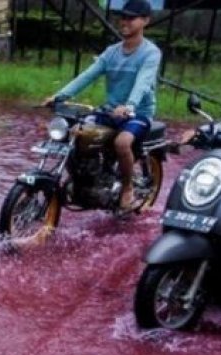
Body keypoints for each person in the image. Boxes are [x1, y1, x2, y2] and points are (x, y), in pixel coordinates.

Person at [43, 0, 161, 211]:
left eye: (131, 18)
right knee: (75, 132)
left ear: (145, 21)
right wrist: (59, 96)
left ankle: (127, 189)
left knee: (123, 143)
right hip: (110, 110)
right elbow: (87, 75)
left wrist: (130, 105)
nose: (124, 21)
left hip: (137, 113)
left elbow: (143, 82)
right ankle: (83, 181)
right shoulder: (111, 52)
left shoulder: (151, 53)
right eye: (122, 17)